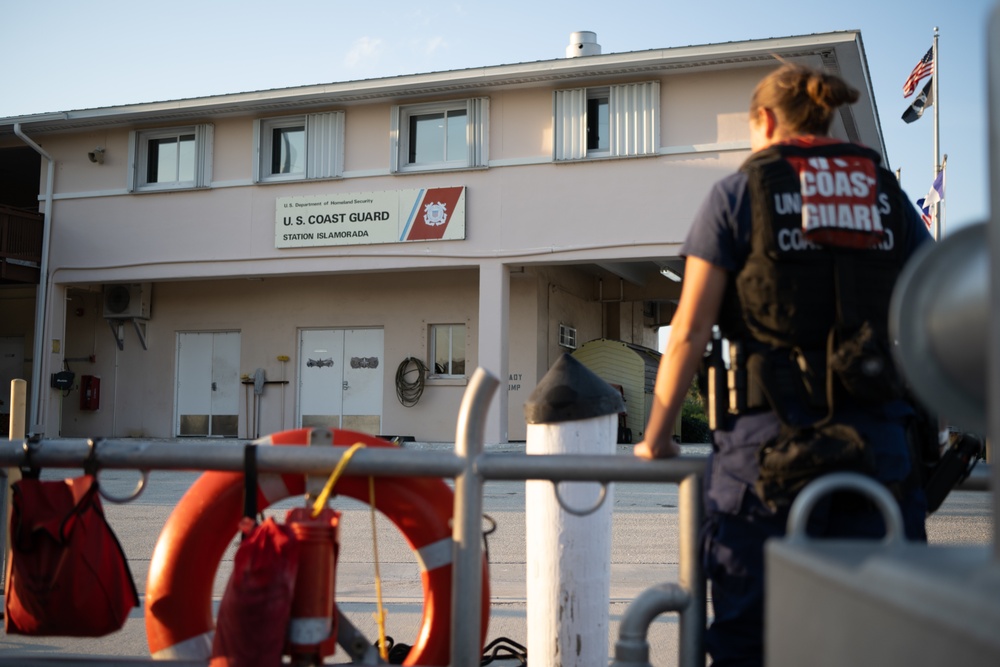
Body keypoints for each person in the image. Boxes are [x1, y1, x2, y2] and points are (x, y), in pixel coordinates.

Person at [634, 63, 932, 667]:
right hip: (880, 451)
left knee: (752, 643)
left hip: (764, 458)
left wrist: (656, 439)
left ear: (765, 121)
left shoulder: (739, 192)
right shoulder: (885, 194)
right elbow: (937, 310)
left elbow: (689, 329)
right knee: (882, 643)